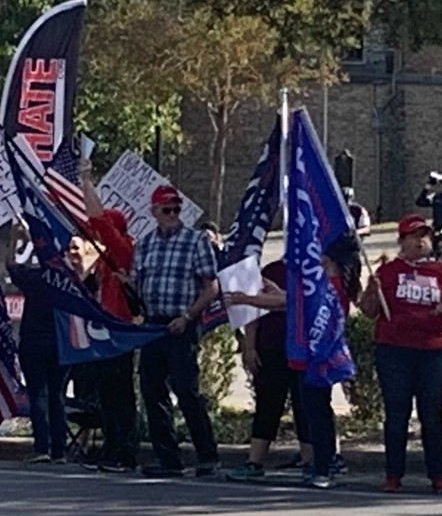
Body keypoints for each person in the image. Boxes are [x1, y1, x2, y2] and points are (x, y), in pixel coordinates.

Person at [359, 214, 442, 494]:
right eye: (415, 236)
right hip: (394, 350)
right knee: (396, 414)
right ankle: (393, 474)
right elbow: (369, 311)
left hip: (431, 351)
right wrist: (371, 289)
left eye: (425, 236)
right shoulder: (388, 272)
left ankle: (438, 476)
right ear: (402, 241)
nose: (421, 241)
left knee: (432, 415)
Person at [131, 184, 220, 478]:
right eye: (166, 209)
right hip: (153, 324)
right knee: (151, 390)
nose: (172, 214)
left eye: (176, 209)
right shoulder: (144, 245)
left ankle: (207, 455)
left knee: (185, 389)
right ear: (154, 211)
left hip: (182, 323)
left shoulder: (195, 241)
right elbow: (137, 284)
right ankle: (168, 458)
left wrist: (188, 316)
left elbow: (211, 287)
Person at [223, 260, 312, 481]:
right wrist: (250, 346)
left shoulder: (313, 270)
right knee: (267, 404)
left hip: (304, 347)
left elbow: (295, 303)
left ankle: (311, 462)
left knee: (306, 406)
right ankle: (254, 462)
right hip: (271, 345)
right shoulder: (272, 270)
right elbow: (253, 313)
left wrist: (264, 299)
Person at [77, 159, 139, 473]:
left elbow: (97, 218)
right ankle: (112, 447)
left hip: (120, 330)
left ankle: (123, 449)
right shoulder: (104, 260)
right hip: (104, 330)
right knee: (106, 392)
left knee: (119, 392)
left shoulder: (122, 249)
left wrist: (86, 181)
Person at [297, 232, 363, 489]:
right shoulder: (337, 282)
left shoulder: (330, 285)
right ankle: (322, 461)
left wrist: (251, 299)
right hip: (323, 350)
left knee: (317, 410)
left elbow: (298, 303)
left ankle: (323, 464)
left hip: (320, 352)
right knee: (317, 409)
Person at [8, 261, 70, 464]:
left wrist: (15, 234)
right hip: (61, 342)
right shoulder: (68, 279)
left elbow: (10, 265)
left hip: (34, 340)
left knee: (38, 395)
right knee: (56, 394)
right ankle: (59, 450)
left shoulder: (34, 277)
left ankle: (42, 446)